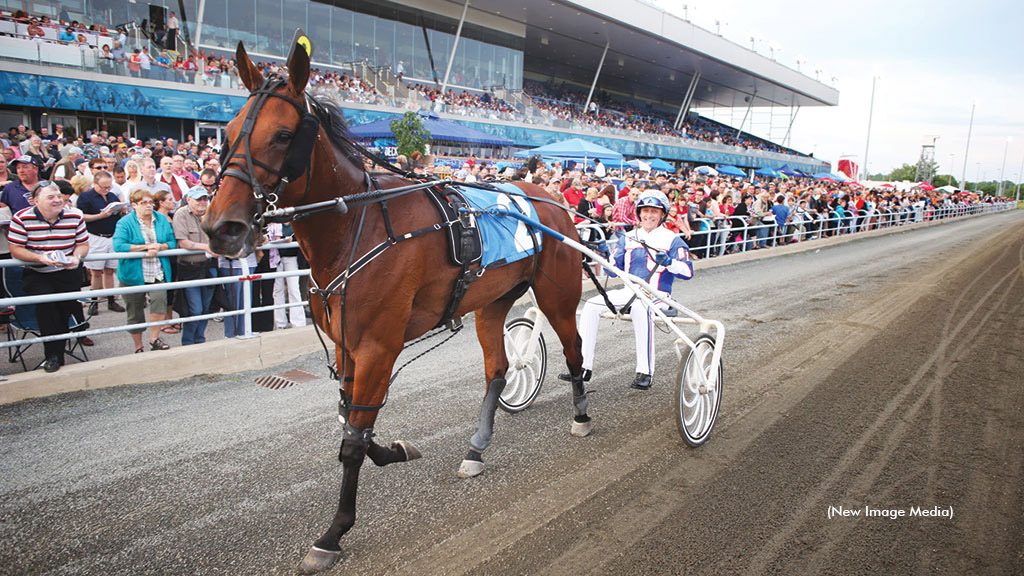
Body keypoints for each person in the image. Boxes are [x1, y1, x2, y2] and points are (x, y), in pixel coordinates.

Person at [562, 190, 694, 390]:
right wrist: (605, 256)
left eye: (654, 211)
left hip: (657, 295)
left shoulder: (672, 239)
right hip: (629, 292)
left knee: (642, 309)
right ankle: (583, 367)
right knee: (591, 305)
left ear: (662, 215)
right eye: (645, 210)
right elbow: (613, 271)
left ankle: (645, 372)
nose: (649, 215)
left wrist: (669, 262)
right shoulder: (629, 237)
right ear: (639, 212)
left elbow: (687, 272)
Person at [7, 181, 90, 372]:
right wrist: (40, 258)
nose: (57, 200)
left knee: (64, 311)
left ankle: (58, 353)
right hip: (37, 272)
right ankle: (52, 355)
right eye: (50, 197)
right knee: (46, 309)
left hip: (67, 271)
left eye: (59, 196)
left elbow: (83, 244)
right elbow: (16, 249)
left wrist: (77, 257)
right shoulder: (21, 218)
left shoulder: (75, 215)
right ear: (35, 201)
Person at [112, 189, 177, 353]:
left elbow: (172, 242)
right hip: (133, 274)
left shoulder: (161, 219)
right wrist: (146, 247)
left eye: (150, 202)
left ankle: (154, 339)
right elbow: (119, 246)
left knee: (159, 303)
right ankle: (138, 346)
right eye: (144, 203)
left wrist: (160, 246)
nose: (149, 206)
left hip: (157, 271)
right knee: (134, 311)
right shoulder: (125, 223)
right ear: (134, 205)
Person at [76, 170, 128, 314]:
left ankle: (111, 300)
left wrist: (121, 210)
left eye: (109, 187)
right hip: (96, 235)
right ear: (95, 184)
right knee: (96, 271)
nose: (106, 190)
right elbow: (82, 216)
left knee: (110, 270)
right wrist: (100, 215)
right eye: (103, 187)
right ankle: (94, 302)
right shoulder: (85, 197)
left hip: (111, 235)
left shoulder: (111, 196)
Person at [173, 185, 218, 345]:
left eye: (205, 198)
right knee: (195, 309)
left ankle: (200, 340)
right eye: (199, 198)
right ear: (189, 199)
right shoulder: (181, 214)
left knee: (206, 309)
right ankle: (188, 343)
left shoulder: (211, 214)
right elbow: (183, 241)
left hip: (208, 266)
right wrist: (206, 247)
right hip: (189, 267)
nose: (202, 202)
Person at [267, 221, 307, 330]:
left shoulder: (295, 222)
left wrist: (291, 240)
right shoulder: (276, 222)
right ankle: (280, 323)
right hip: (277, 257)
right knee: (277, 290)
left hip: (292, 257)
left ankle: (298, 322)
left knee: (294, 289)